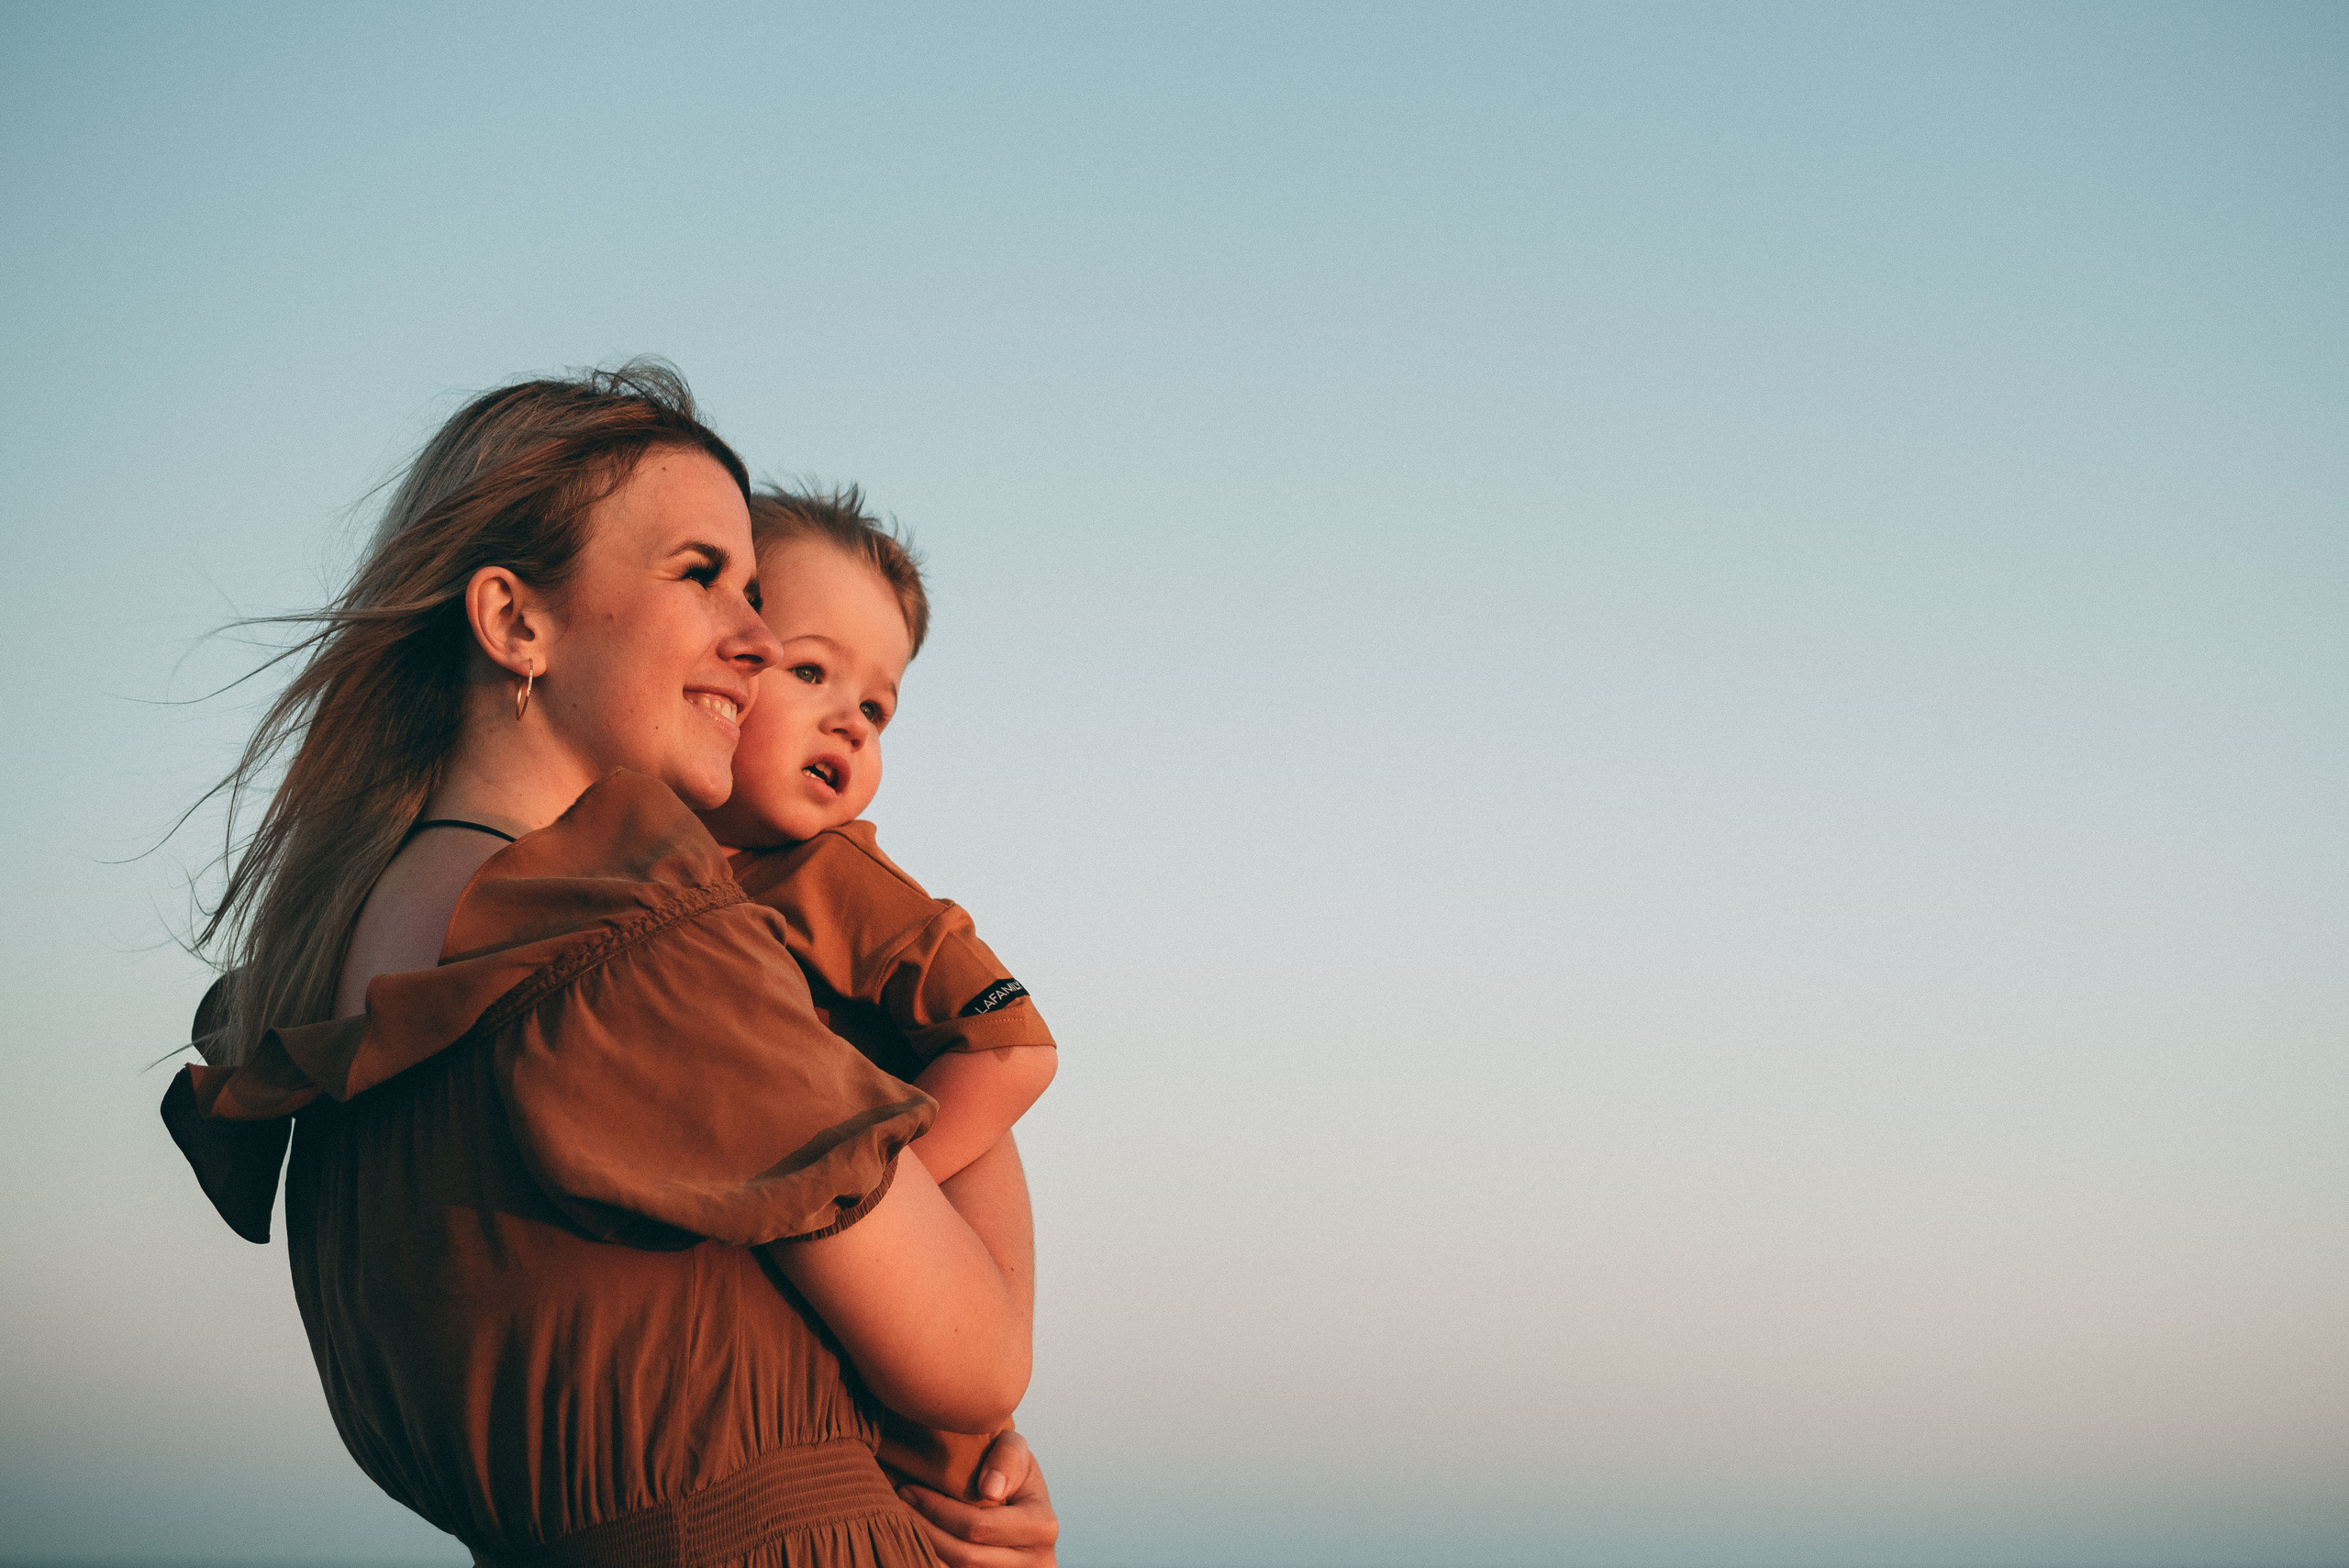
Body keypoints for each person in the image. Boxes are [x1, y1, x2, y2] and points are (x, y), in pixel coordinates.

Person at [161, 363, 1061, 1568]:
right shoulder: (636, 952)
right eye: (702, 577)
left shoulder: (319, 996)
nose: (753, 639)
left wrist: (870, 1487)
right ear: (514, 621)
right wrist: (947, 1056)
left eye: (754, 591)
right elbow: (977, 1357)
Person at [698, 486, 1060, 1498]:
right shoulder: (678, 876)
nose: (848, 724)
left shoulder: (831, 876)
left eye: (876, 707)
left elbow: (1015, 1043)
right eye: (809, 669)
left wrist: (884, 1187)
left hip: (914, 1400)